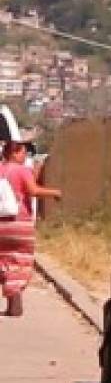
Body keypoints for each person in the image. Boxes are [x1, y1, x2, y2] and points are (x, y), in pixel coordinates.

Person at [0, 133, 62, 317]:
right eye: (23, 152)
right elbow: (32, 190)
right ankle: (15, 300)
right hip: (19, 224)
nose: (25, 156)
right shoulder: (21, 170)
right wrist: (55, 193)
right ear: (14, 152)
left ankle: (10, 296)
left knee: (3, 258)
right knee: (19, 261)